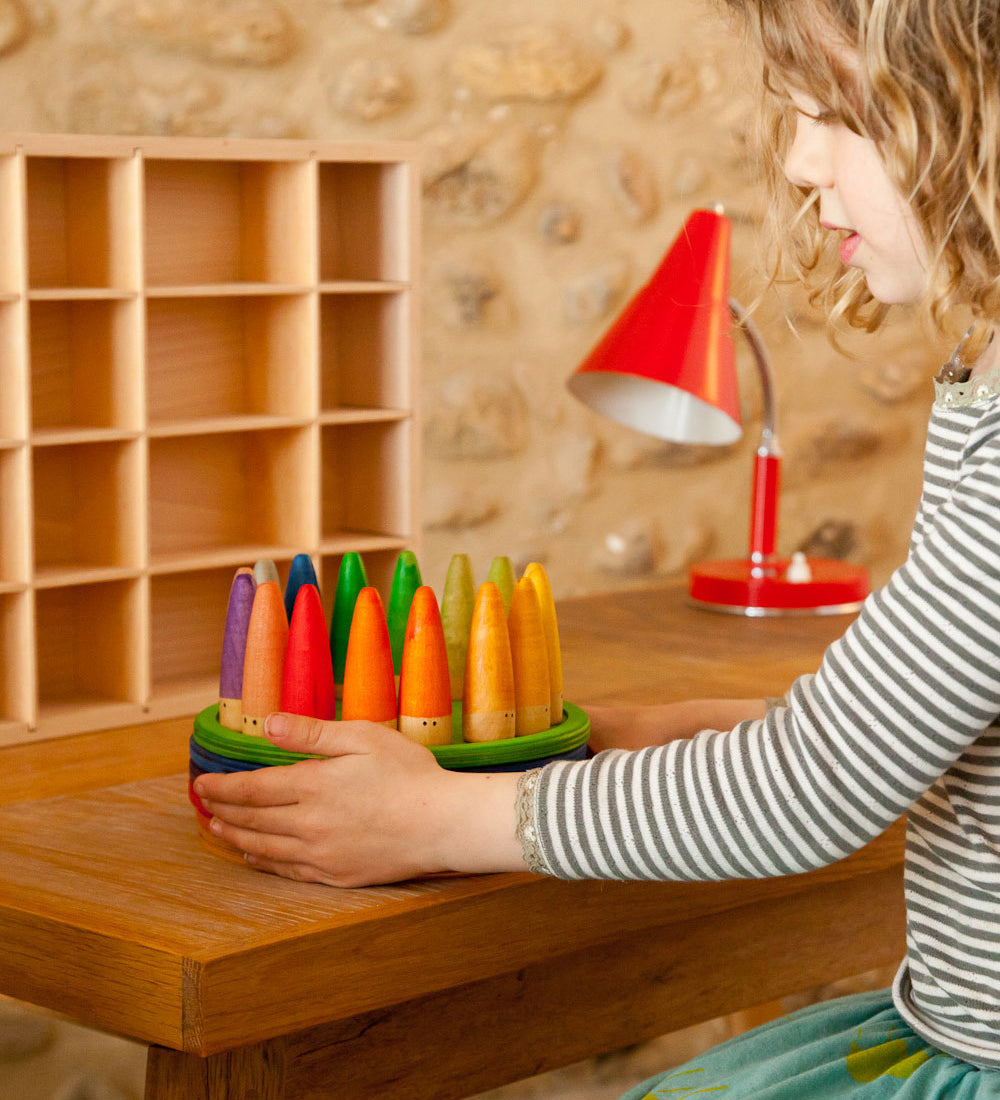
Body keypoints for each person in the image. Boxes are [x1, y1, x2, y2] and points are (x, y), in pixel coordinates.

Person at [194, 0, 1000, 1092]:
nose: (801, 160)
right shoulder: (978, 385)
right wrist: (650, 731)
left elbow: (812, 787)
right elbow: (917, 731)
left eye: (839, 115)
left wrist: (438, 816)